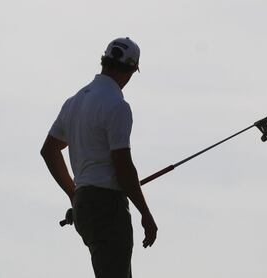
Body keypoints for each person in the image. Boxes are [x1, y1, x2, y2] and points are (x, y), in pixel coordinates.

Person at [40, 37, 157, 278]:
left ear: (104, 61)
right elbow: (123, 167)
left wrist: (76, 195)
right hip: (108, 206)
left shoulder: (75, 101)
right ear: (131, 69)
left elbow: (50, 151)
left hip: (85, 204)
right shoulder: (117, 106)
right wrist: (145, 213)